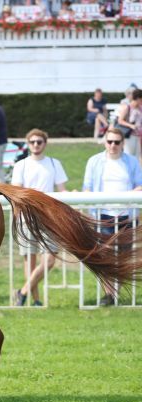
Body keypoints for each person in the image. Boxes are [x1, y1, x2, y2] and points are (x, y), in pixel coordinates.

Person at [83, 128, 142, 305]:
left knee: (123, 256)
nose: (113, 145)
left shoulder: (132, 162)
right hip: (103, 215)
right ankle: (109, 293)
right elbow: (87, 187)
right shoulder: (94, 161)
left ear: (123, 143)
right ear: (105, 142)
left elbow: (140, 185)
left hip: (126, 216)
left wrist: (128, 196)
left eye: (117, 142)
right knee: (105, 256)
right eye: (110, 142)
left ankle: (118, 292)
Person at [11, 129, 68, 307]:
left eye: (39, 142)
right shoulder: (21, 165)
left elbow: (62, 190)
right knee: (30, 258)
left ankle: (22, 291)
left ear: (45, 143)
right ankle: (35, 300)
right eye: (33, 142)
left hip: (50, 216)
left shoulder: (54, 163)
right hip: (27, 216)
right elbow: (17, 191)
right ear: (28, 144)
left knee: (50, 259)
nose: (36, 145)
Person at [116, 89, 141, 161]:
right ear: (138, 98)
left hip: (138, 135)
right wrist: (131, 125)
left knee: (136, 157)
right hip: (129, 135)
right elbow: (120, 120)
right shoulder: (128, 107)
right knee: (129, 155)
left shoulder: (140, 108)